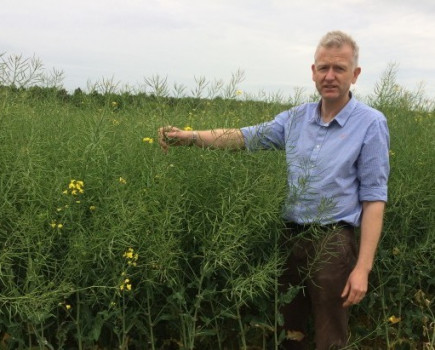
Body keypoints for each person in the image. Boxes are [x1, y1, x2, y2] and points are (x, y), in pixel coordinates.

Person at [158, 30, 390, 350]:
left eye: (339, 68)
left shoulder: (371, 123)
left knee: (330, 336)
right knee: (289, 329)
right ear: (313, 72)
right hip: (290, 237)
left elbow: (374, 198)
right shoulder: (295, 119)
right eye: (323, 68)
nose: (330, 76)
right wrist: (189, 137)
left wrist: (362, 268)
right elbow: (242, 137)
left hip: (334, 243)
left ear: (355, 74)